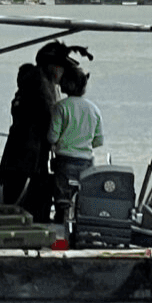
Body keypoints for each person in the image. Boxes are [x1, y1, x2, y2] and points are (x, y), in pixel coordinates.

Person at [0, 61, 55, 218]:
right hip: (33, 158)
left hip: (23, 159)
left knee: (15, 197)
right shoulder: (42, 103)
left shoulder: (26, 103)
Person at [48, 67, 104, 225]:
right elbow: (98, 141)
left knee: (62, 203)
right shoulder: (94, 109)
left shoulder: (61, 107)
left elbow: (52, 137)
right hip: (86, 163)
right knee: (81, 202)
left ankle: (61, 227)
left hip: (64, 162)